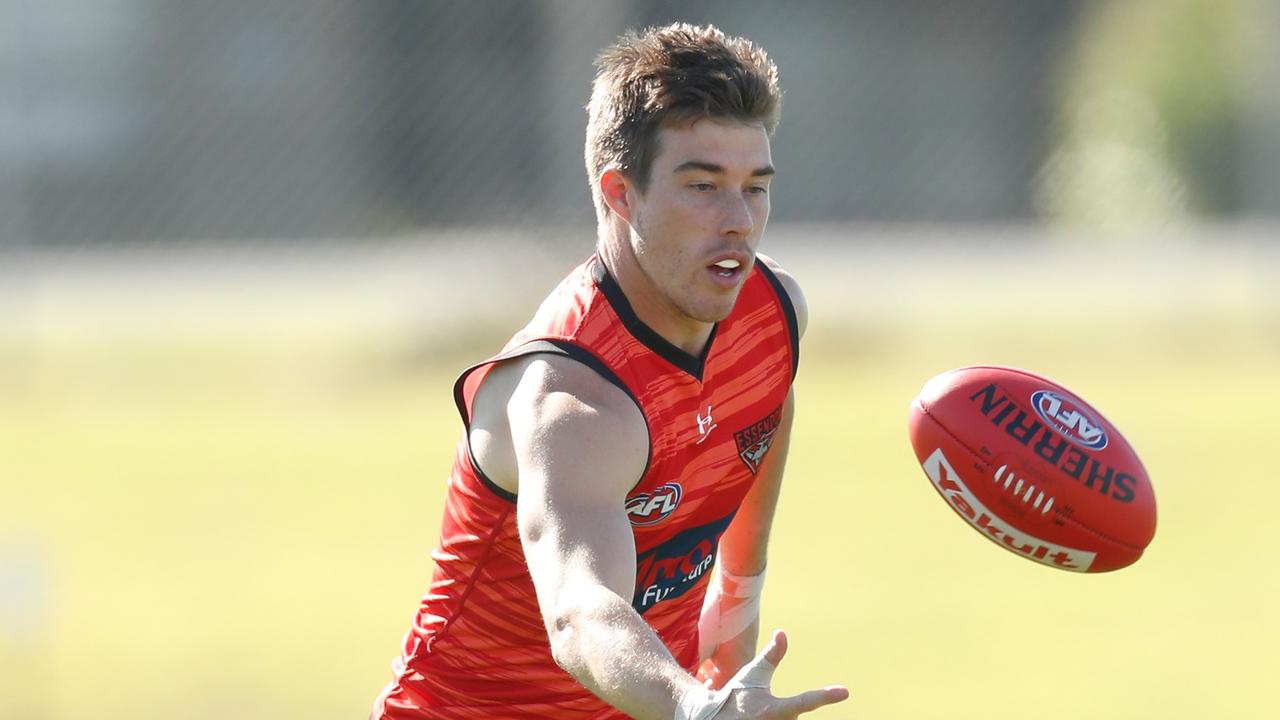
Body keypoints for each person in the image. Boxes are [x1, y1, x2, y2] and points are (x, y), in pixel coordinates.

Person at [372, 22, 849, 720]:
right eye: (703, 186)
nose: (739, 220)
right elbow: (580, 611)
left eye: (756, 187)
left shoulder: (772, 314)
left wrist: (737, 594)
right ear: (621, 193)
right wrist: (694, 707)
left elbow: (763, 411)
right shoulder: (571, 401)